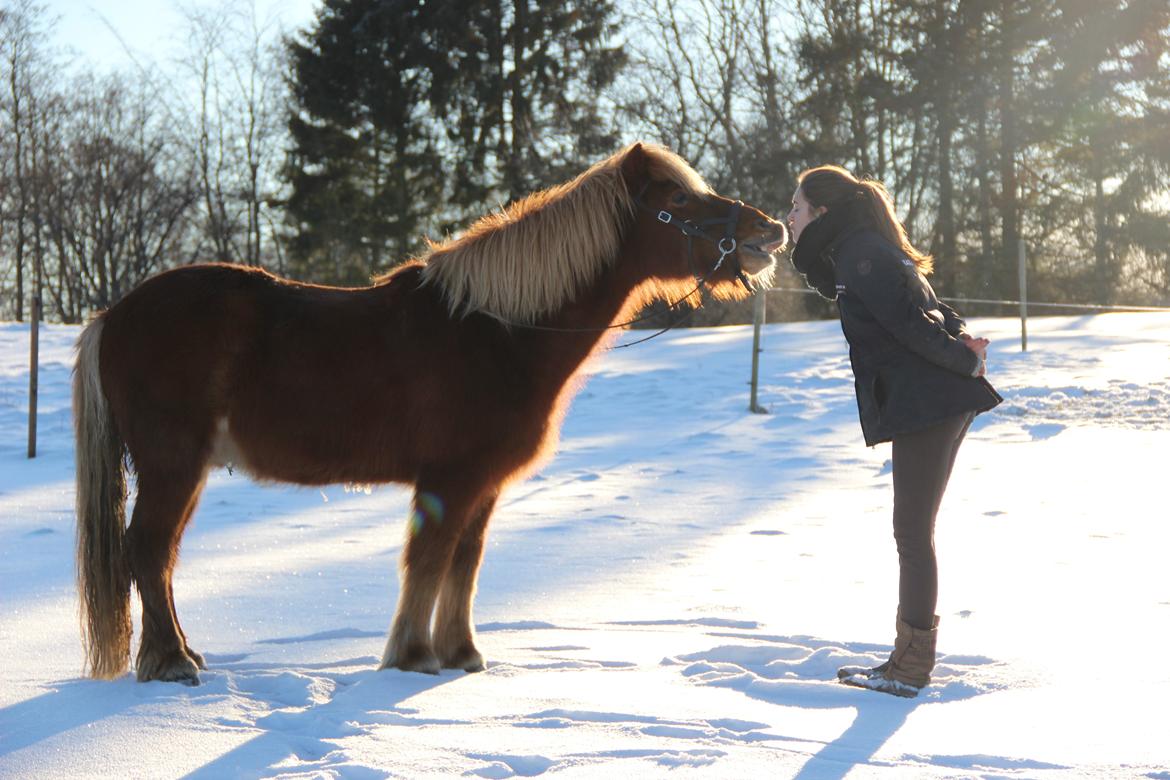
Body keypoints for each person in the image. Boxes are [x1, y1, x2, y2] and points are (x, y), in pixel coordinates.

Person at [787, 165, 1002, 698]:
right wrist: (962, 342)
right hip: (929, 399)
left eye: (796, 207)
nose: (788, 216)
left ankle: (910, 668)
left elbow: (910, 323)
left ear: (822, 213)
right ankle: (906, 660)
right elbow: (925, 310)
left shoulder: (862, 254)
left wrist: (964, 360)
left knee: (912, 533)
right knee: (914, 531)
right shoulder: (860, 252)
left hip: (930, 400)